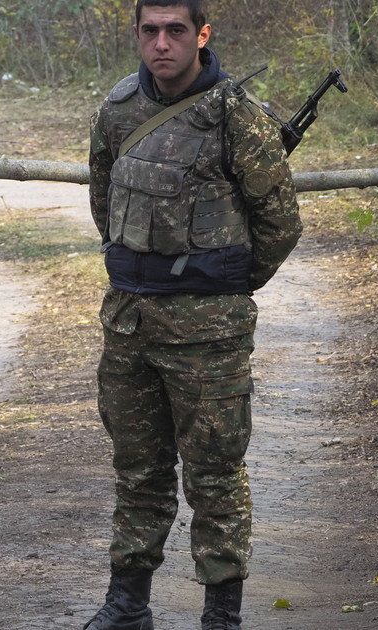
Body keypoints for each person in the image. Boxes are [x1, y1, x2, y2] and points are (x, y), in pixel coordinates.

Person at [85, 1, 302, 629]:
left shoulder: (237, 118)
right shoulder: (119, 109)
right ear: (137, 36)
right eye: (150, 31)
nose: (162, 44)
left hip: (209, 338)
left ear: (201, 36)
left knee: (214, 476)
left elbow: (279, 223)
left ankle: (220, 616)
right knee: (138, 470)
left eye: (176, 30)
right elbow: (103, 197)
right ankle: (128, 606)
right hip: (129, 324)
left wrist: (223, 289)